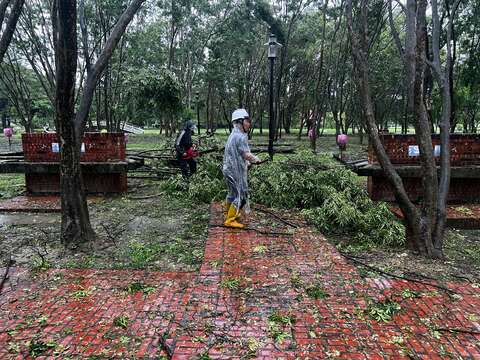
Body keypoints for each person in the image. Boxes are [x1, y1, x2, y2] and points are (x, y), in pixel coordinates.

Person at [223, 108, 260, 229]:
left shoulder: (233, 135)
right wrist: (255, 159)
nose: (249, 123)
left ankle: (228, 212)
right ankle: (230, 220)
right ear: (239, 122)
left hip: (229, 169)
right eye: (247, 120)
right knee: (240, 195)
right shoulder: (240, 137)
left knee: (232, 193)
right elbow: (245, 154)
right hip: (234, 171)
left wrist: (245, 163)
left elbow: (236, 154)